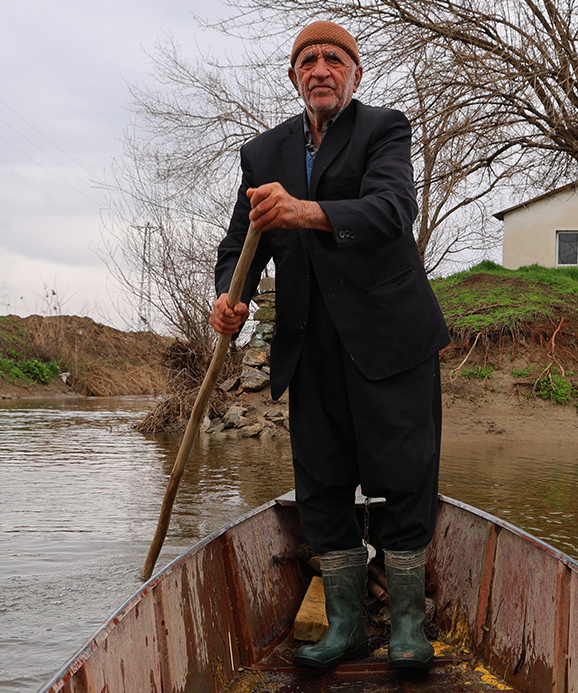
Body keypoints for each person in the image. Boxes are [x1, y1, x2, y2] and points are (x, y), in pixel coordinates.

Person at [210, 20, 449, 671]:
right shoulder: (262, 155)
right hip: (309, 345)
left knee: (404, 478)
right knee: (320, 488)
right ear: (293, 77)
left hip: (391, 338)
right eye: (307, 59)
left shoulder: (384, 130)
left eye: (334, 58)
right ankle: (344, 625)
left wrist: (306, 211)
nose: (320, 67)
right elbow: (240, 245)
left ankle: (406, 626)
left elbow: (391, 210)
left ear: (355, 74)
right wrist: (230, 298)